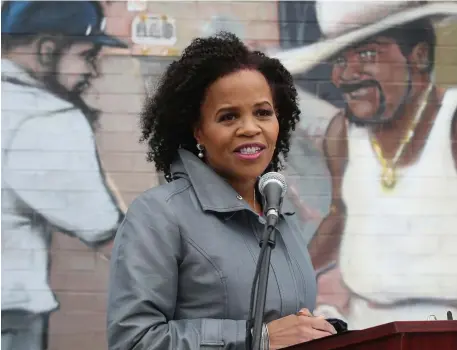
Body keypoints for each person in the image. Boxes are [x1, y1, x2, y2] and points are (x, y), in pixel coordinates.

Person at [106, 32, 337, 350]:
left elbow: (287, 328)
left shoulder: (277, 214)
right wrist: (257, 338)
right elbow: (134, 341)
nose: (250, 128)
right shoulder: (159, 215)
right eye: (229, 116)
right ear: (198, 130)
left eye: (263, 113)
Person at [277, 1, 457, 329]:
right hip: (365, 327)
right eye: (340, 59)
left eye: (368, 55)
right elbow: (341, 214)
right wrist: (287, 278)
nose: (346, 74)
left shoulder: (451, 122)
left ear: (418, 57)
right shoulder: (343, 135)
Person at [1, 2, 127, 350]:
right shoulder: (46, 117)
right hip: (10, 315)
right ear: (46, 50)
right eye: (87, 55)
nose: (93, 71)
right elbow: (106, 232)